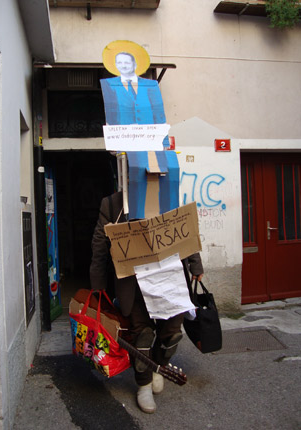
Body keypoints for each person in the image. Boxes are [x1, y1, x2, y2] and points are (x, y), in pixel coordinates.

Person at [89, 191, 204, 414]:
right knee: (141, 334)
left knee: (171, 334)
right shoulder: (113, 204)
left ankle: (157, 368)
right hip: (134, 281)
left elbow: (186, 230)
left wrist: (196, 265)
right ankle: (143, 385)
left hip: (171, 277)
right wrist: (98, 280)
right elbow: (100, 241)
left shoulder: (170, 191)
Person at [100, 52, 168, 139]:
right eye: (119, 63)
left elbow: (158, 112)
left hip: (148, 137)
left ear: (134, 65)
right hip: (124, 137)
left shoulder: (150, 84)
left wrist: (163, 139)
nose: (123, 66)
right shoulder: (109, 84)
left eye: (127, 63)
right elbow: (111, 113)